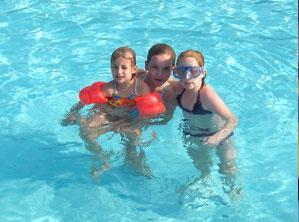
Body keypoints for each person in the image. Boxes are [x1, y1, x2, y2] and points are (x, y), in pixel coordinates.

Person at [61, 46, 166, 179]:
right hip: (106, 114)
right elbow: (85, 100)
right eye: (115, 67)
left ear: (133, 69)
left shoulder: (140, 89)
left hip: (128, 118)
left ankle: (133, 159)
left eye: (124, 67)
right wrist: (73, 111)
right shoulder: (110, 88)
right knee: (86, 132)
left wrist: (132, 124)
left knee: (134, 136)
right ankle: (104, 158)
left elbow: (150, 114)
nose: (119, 72)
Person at [173, 50, 241, 199]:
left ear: (203, 73)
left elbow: (232, 119)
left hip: (221, 138)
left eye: (194, 71)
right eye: (181, 72)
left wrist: (217, 138)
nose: (187, 77)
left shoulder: (207, 95)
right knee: (202, 167)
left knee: (227, 166)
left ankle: (233, 192)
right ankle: (206, 184)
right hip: (193, 135)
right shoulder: (179, 88)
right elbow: (158, 81)